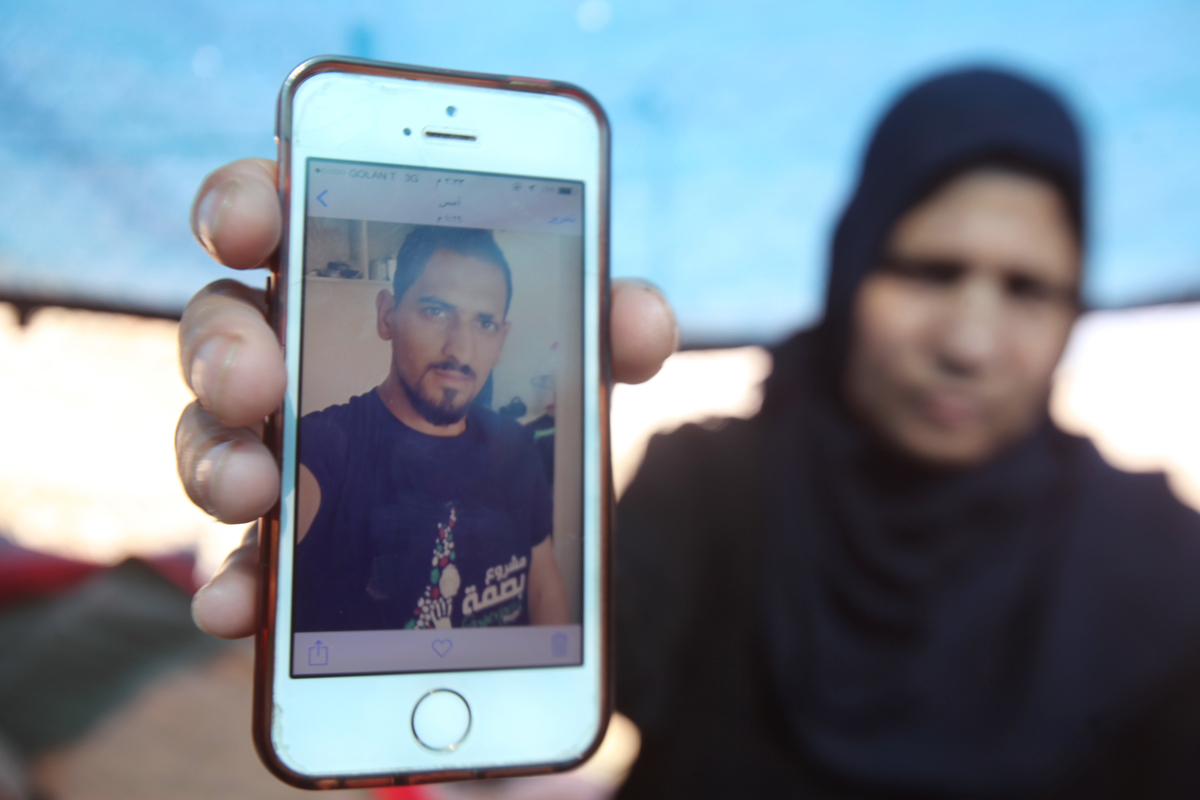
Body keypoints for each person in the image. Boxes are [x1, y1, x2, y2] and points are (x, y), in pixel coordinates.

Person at [174, 67, 1200, 796]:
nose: (971, 342)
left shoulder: (1164, 563)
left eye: (1028, 288)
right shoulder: (707, 487)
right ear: (851, 264)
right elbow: (516, 702)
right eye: (929, 270)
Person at [293, 225, 566, 631]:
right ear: (386, 315)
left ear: (502, 339)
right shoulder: (320, 451)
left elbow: (543, 588)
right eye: (436, 311)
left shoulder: (517, 446)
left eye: (485, 323)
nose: (460, 350)